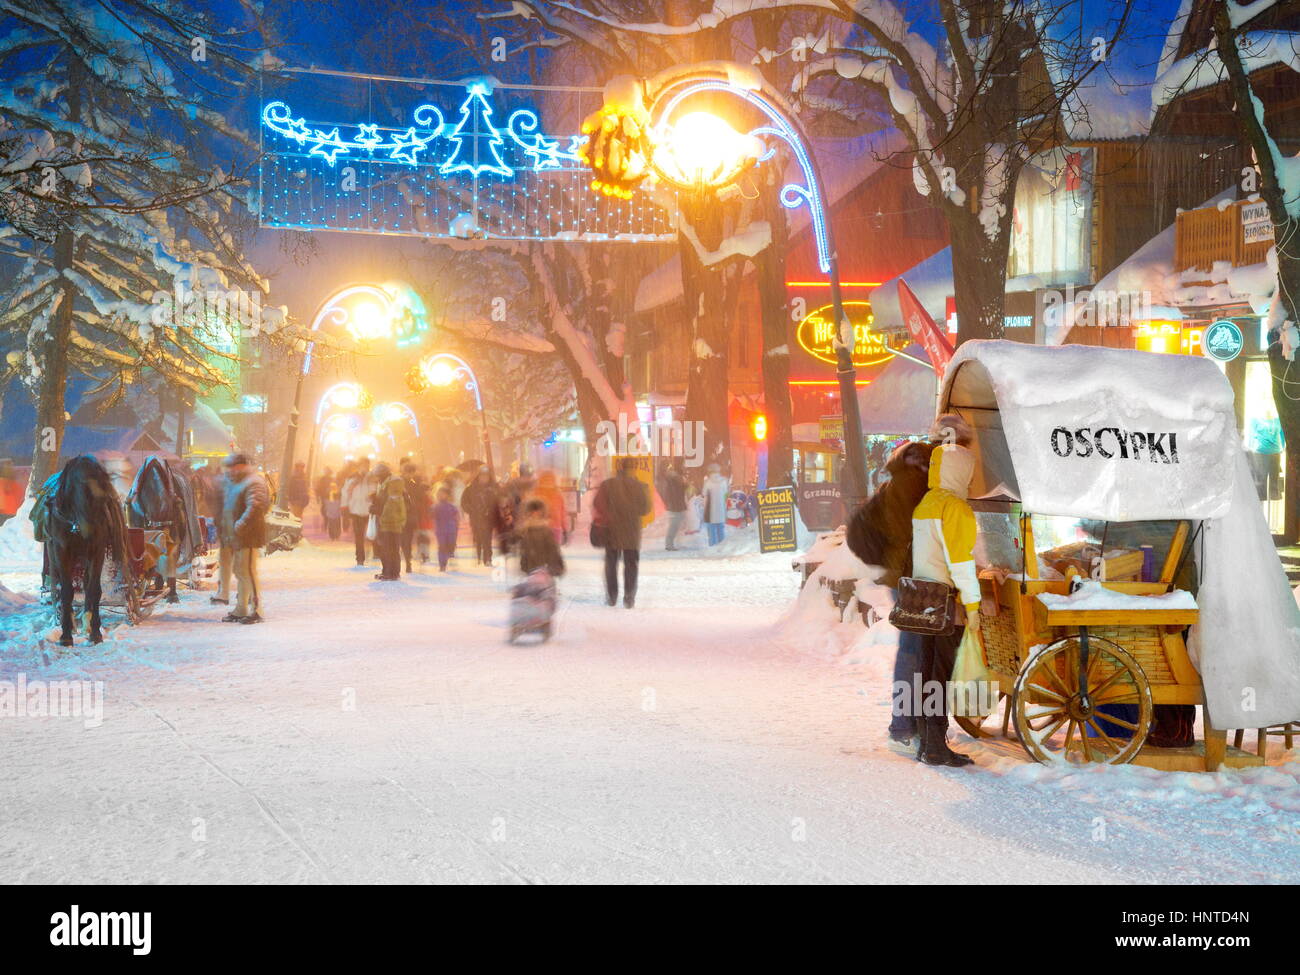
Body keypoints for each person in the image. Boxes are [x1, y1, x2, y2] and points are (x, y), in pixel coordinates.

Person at [845, 439, 935, 753]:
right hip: (914, 580)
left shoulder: (896, 483)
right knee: (916, 651)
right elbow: (915, 534)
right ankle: (905, 726)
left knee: (913, 649)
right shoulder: (912, 486)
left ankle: (908, 723)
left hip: (903, 578)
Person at [910, 441, 981, 767]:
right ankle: (937, 746)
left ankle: (927, 742)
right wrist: (974, 604)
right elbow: (961, 562)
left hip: (921, 598)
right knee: (941, 676)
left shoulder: (927, 502)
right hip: (946, 604)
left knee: (926, 674)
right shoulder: (955, 507)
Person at [219, 452, 270, 624]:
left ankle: (256, 610)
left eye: (234, 466)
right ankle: (241, 608)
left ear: (242, 466)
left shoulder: (253, 482)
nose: (231, 470)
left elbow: (256, 506)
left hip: (249, 535)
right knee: (240, 572)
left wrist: (240, 524)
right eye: (230, 467)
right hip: (238, 536)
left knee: (248, 571)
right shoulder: (236, 483)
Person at [594, 458, 650, 608]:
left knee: (611, 563)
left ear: (620, 467)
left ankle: (612, 597)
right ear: (634, 468)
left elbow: (597, 504)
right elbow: (645, 509)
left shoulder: (608, 485)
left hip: (611, 530)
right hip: (631, 531)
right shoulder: (640, 486)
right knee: (631, 564)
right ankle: (629, 597)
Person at [371, 463, 406, 581]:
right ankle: (387, 570)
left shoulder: (392, 484)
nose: (377, 478)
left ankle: (392, 572)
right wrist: (375, 500)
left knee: (390, 547)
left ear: (383, 474)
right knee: (385, 547)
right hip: (385, 520)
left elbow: (391, 504)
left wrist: (377, 508)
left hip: (391, 520)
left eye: (378, 476)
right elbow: (383, 501)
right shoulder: (383, 484)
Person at [518, 497, 565, 577]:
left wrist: (557, 565)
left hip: (543, 569)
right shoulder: (526, 531)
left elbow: (552, 549)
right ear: (528, 513)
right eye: (532, 512)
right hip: (532, 570)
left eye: (537, 512)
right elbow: (523, 550)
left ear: (542, 513)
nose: (535, 515)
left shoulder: (545, 530)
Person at [461, 466, 498, 566]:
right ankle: (478, 555)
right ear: (478, 476)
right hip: (476, 518)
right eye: (482, 476)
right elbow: (464, 502)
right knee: (478, 537)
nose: (484, 478)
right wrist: (471, 510)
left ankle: (488, 558)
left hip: (488, 518)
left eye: (486, 476)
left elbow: (498, 501)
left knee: (487, 538)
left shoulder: (493, 488)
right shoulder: (470, 489)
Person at [342, 458, 372, 565]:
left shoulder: (372, 478)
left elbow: (376, 492)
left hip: (370, 511)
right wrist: (345, 507)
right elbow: (345, 494)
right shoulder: (352, 478)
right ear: (359, 466)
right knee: (358, 535)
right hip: (355, 510)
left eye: (367, 465)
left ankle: (371, 553)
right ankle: (360, 557)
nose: (365, 468)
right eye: (363, 465)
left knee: (370, 535)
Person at [530, 469, 566, 544]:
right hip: (547, 527)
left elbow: (562, 512)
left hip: (547, 527)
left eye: (549, 480)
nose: (548, 482)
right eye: (546, 480)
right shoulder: (557, 494)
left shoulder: (536, 494)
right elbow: (562, 513)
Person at [660, 460, 687, 551]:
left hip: (675, 505)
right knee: (674, 526)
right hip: (676, 506)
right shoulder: (674, 479)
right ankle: (669, 544)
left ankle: (673, 543)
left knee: (676, 525)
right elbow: (678, 491)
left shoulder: (671, 479)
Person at [432, 485, 459, 571]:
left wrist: (456, 527)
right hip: (440, 531)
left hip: (451, 530)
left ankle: (450, 556)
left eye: (443, 494)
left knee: (450, 546)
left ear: (447, 495)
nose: (441, 495)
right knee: (442, 547)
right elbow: (432, 516)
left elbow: (457, 517)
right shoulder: (435, 506)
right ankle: (442, 564)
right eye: (439, 494)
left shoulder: (452, 506)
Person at [400, 462, 420, 574]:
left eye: (412, 473)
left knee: (409, 539)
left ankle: (408, 560)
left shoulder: (414, 484)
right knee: (404, 540)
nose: (410, 475)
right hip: (401, 515)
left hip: (411, 516)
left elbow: (417, 499)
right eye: (409, 473)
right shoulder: (399, 483)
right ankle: (407, 561)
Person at [701, 463, 729, 546]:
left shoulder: (707, 482)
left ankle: (713, 547)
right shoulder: (724, 481)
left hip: (710, 510)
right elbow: (726, 493)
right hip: (721, 509)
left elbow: (703, 493)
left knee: (712, 530)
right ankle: (722, 546)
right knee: (721, 528)